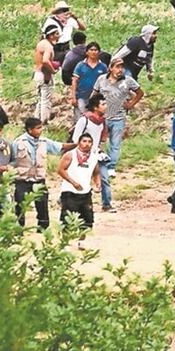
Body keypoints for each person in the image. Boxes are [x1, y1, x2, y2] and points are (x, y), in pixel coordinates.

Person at [91, 58, 143, 212]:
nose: (120, 70)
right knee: (100, 143)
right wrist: (92, 110)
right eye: (117, 67)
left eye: (122, 67)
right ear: (111, 68)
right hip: (103, 118)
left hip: (119, 117)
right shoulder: (102, 80)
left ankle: (111, 166)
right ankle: (98, 167)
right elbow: (94, 94)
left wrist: (132, 103)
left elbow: (140, 92)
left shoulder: (128, 81)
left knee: (115, 143)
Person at [10, 117, 77, 229]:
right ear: (30, 130)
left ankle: (43, 228)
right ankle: (18, 229)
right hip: (22, 180)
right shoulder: (18, 143)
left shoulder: (44, 142)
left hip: (39, 180)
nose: (41, 130)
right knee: (20, 206)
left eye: (41, 127)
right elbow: (11, 160)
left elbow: (60, 147)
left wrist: (77, 144)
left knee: (42, 205)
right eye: (38, 128)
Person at [58, 131, 100, 246]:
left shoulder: (93, 157)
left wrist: (97, 183)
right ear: (79, 142)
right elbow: (61, 170)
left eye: (90, 142)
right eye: (84, 141)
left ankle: (82, 241)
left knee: (87, 218)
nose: (87, 144)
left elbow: (96, 172)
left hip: (85, 192)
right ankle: (64, 242)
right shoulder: (70, 155)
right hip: (70, 191)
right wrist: (73, 182)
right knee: (67, 218)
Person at [70, 42, 108, 121]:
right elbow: (74, 81)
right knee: (81, 118)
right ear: (87, 52)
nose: (94, 52)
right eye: (91, 50)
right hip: (81, 96)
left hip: (96, 98)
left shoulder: (103, 67)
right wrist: (73, 97)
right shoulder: (80, 65)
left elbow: (106, 82)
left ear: (99, 52)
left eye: (96, 50)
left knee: (95, 118)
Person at [33, 26, 59, 123]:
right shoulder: (48, 46)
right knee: (45, 100)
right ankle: (44, 121)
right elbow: (45, 61)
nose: (58, 36)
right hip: (44, 75)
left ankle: (37, 119)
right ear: (51, 35)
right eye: (56, 34)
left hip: (37, 73)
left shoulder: (41, 43)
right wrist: (52, 70)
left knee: (40, 99)